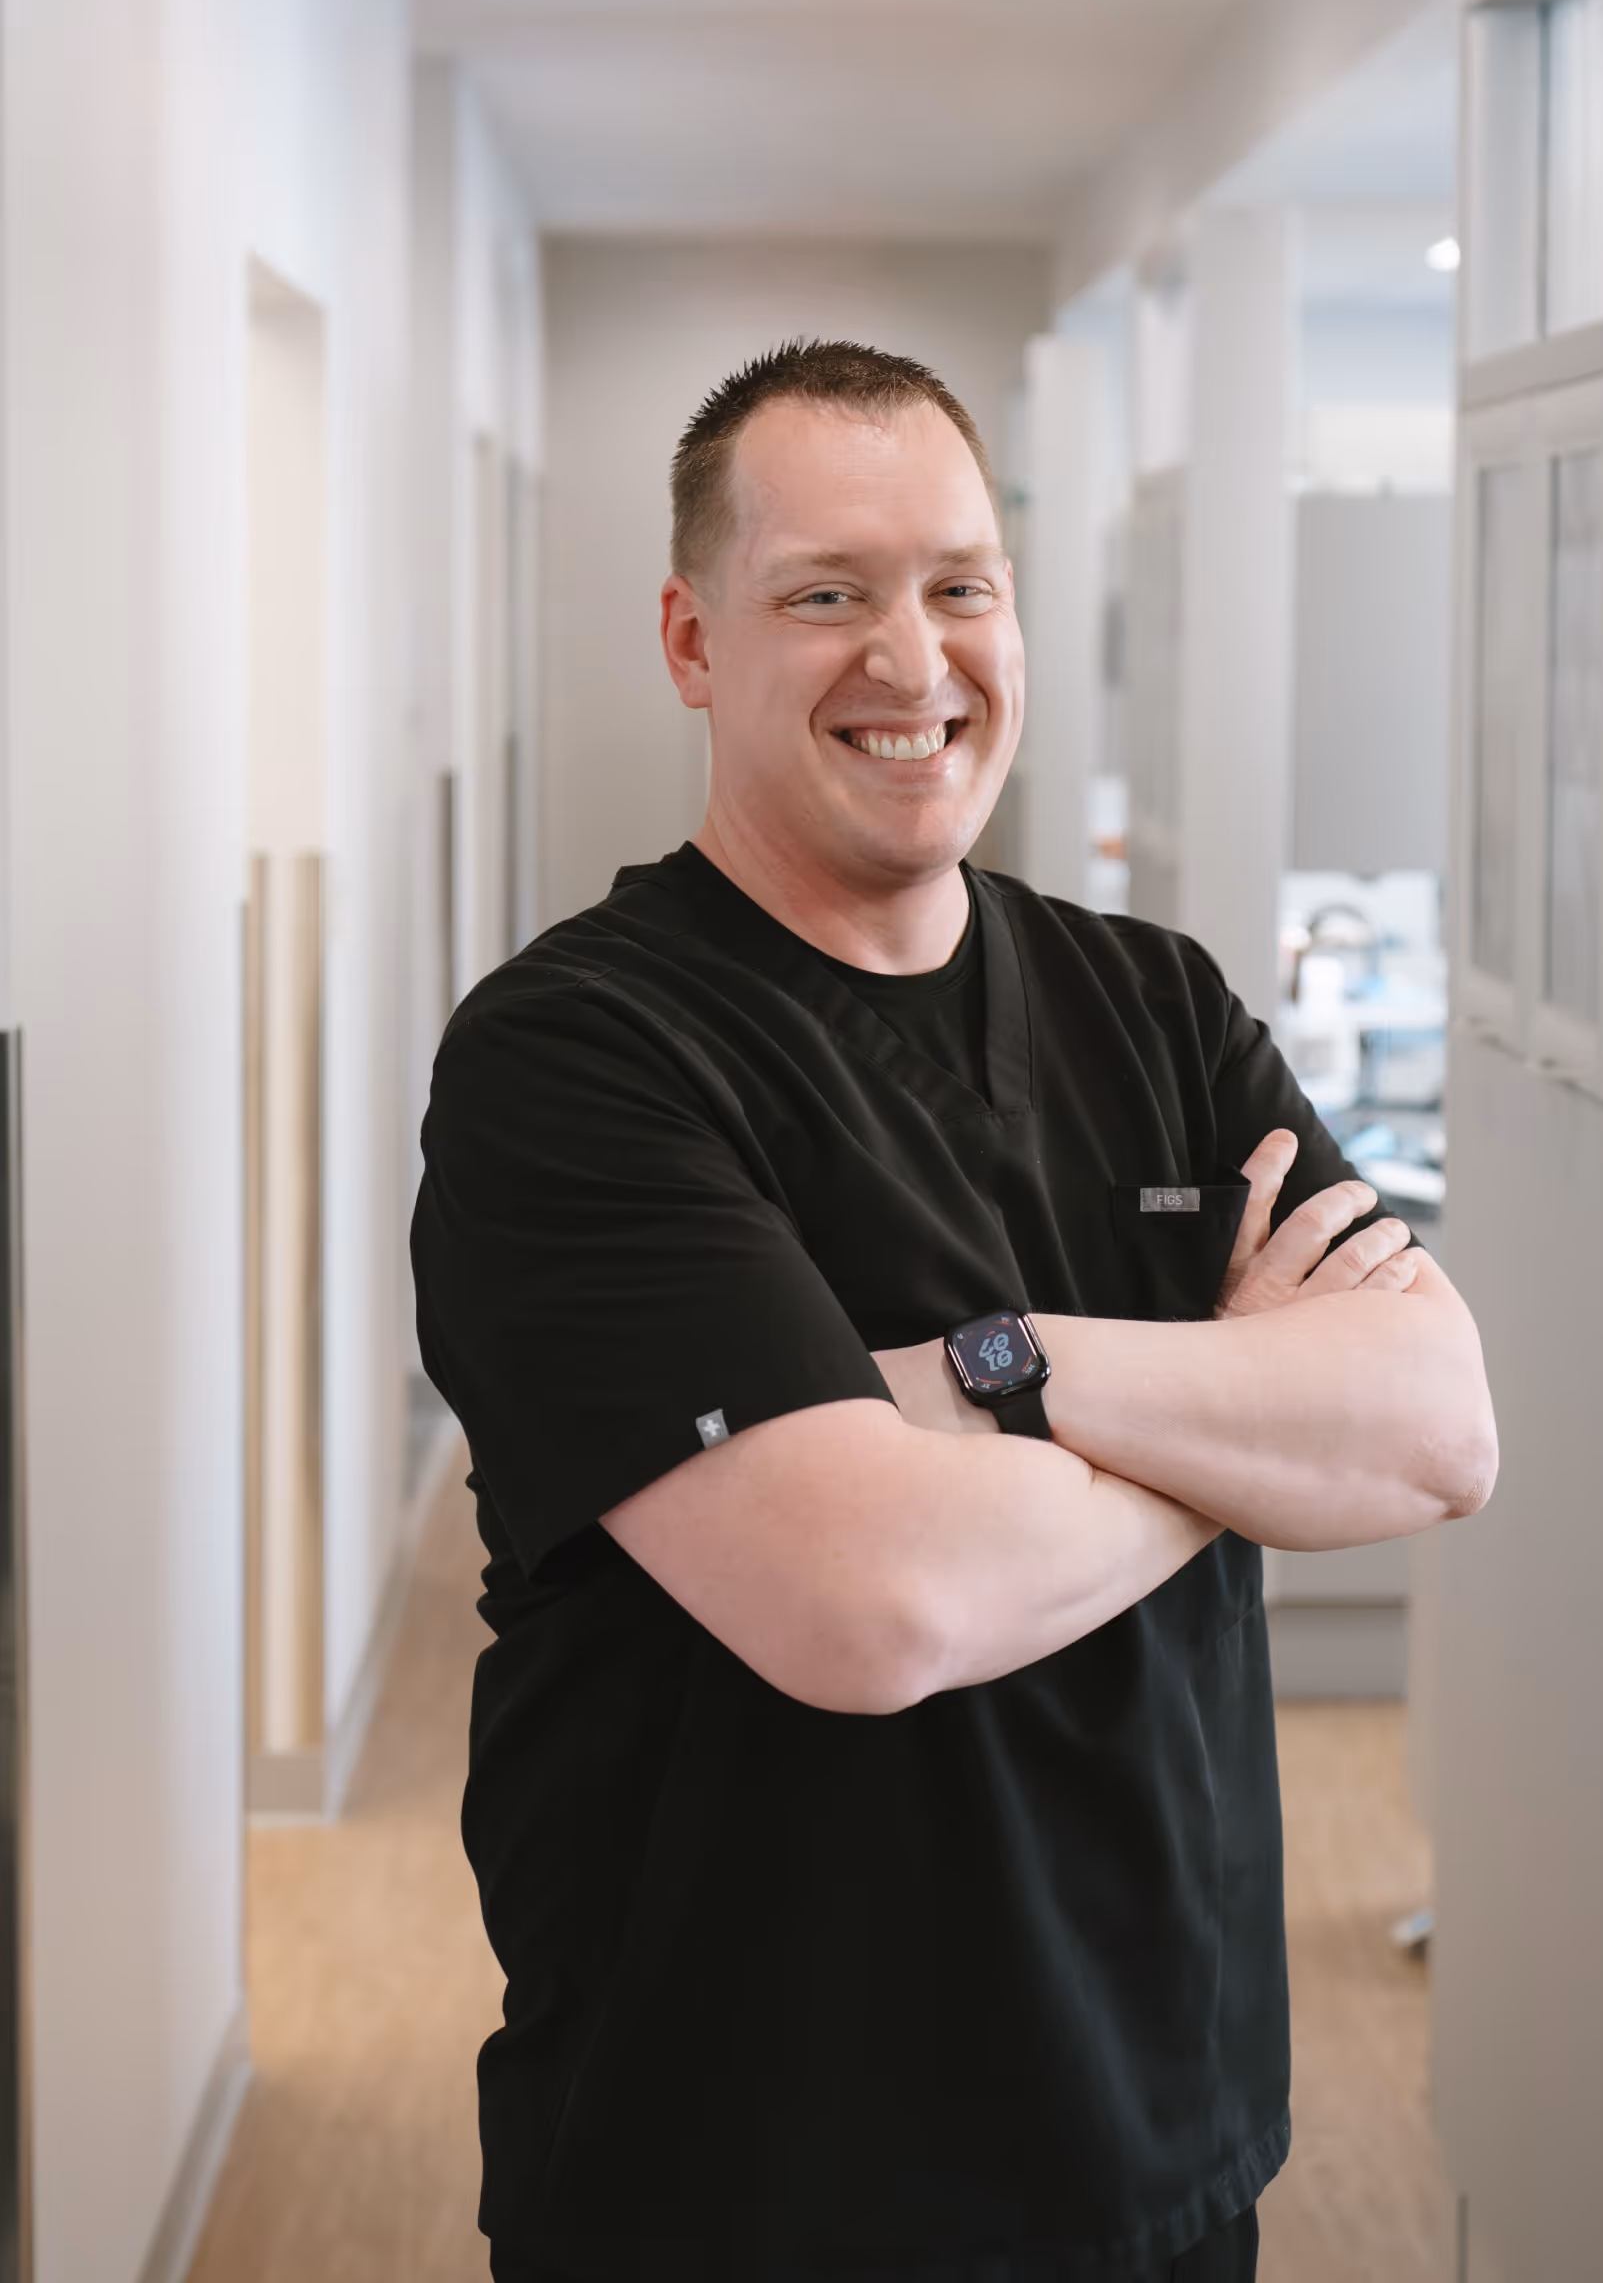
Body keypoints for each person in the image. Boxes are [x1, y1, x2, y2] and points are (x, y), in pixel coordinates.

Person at [410, 340, 1497, 2283]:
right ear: (689, 636)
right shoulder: (576, 1058)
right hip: (746, 2173)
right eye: (823, 592)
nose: (910, 662)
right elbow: (870, 1603)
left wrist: (1015, 1372)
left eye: (957, 583)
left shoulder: (1158, 1007)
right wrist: (1243, 1418)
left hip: (1162, 2134)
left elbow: (1433, 1423)